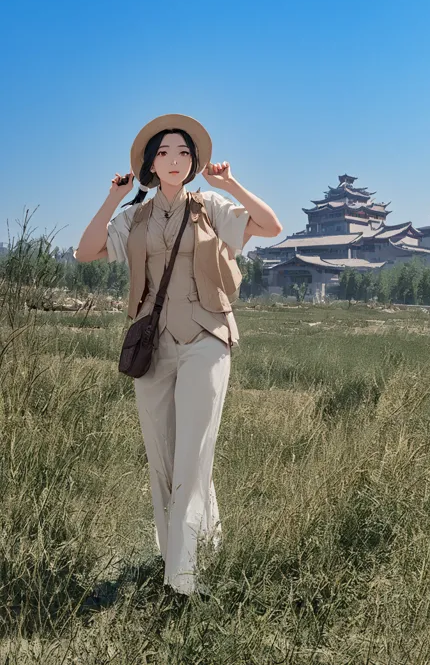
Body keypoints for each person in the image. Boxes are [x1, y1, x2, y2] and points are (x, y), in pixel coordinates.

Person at [74, 113, 283, 597]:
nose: (175, 159)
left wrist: (231, 183)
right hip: (153, 347)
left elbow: (270, 225)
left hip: (207, 338)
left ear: (193, 164)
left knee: (193, 453)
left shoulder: (211, 205)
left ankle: (182, 582)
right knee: (163, 458)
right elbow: (86, 251)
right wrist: (113, 197)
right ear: (151, 163)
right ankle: (187, 554)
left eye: (184, 152)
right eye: (165, 152)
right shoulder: (135, 217)